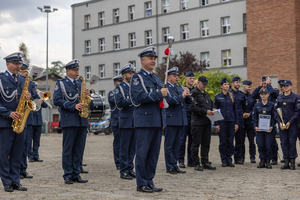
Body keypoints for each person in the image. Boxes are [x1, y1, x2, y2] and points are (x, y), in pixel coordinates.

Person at [130, 46, 167, 193]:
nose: (153, 61)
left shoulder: (156, 78)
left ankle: (150, 180)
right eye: (150, 58)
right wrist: (159, 94)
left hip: (157, 121)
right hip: (144, 121)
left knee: (153, 154)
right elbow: (138, 98)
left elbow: (162, 99)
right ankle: (141, 183)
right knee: (142, 153)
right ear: (142, 60)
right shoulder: (137, 78)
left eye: (154, 58)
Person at [53, 59, 92, 184]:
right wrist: (73, 106)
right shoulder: (61, 83)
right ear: (67, 71)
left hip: (82, 120)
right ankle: (68, 174)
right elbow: (56, 100)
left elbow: (86, 101)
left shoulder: (81, 83)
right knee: (68, 149)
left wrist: (87, 95)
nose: (77, 72)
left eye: (77, 70)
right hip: (69, 120)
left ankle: (76, 173)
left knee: (79, 149)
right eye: (74, 70)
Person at [0, 52, 31, 192]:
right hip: (5, 122)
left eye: (19, 64)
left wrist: (29, 98)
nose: (19, 66)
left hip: (20, 121)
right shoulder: (0, 79)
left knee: (18, 152)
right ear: (7, 64)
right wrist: (8, 113)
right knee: (4, 153)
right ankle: (6, 181)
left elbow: (26, 100)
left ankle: (15, 181)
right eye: (15, 63)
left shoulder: (23, 80)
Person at [164, 67, 189, 174]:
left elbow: (186, 101)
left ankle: (175, 165)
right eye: (174, 76)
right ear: (168, 77)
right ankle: (169, 166)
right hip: (171, 119)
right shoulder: (166, 88)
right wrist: (182, 95)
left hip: (180, 119)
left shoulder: (179, 88)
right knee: (169, 144)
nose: (177, 78)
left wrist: (187, 94)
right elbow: (169, 101)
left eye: (177, 76)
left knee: (177, 144)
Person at [190, 76, 216, 171]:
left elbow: (210, 104)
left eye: (206, 84)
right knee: (196, 143)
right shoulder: (193, 94)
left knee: (206, 143)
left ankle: (205, 162)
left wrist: (213, 109)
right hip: (197, 123)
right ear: (198, 83)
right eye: (203, 84)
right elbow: (193, 107)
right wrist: (205, 112)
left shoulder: (206, 94)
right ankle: (196, 163)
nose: (205, 85)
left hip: (206, 122)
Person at [115, 64, 136, 180]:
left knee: (132, 148)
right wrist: (132, 99)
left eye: (133, 73)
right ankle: (123, 170)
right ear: (124, 75)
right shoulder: (120, 87)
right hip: (125, 121)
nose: (132, 75)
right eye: (130, 73)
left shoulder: (135, 86)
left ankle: (130, 168)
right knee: (124, 148)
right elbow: (120, 103)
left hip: (135, 121)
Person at [18, 61, 38, 180]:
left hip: (28, 118)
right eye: (22, 71)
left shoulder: (30, 83)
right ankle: (16, 170)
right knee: (17, 146)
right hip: (17, 117)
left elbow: (35, 98)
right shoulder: (15, 81)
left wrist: (32, 97)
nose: (24, 73)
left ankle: (23, 170)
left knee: (25, 146)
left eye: (25, 71)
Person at [252, 76, 279, 164]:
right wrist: (260, 86)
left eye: (266, 82)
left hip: (270, 124)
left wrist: (268, 85)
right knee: (261, 144)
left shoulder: (274, 91)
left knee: (271, 143)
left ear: (270, 83)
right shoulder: (260, 92)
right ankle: (263, 160)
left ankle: (273, 158)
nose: (265, 84)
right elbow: (253, 95)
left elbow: (273, 93)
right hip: (261, 125)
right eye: (263, 83)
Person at [274, 80, 299, 170]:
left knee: (292, 142)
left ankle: (292, 162)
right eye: (284, 86)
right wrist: (280, 122)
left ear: (291, 86)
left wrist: (290, 122)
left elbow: (297, 112)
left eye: (287, 86)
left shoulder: (296, 97)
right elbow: (275, 111)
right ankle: (286, 161)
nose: (285, 87)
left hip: (292, 124)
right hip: (282, 125)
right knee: (284, 142)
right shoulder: (279, 97)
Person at [214, 78, 239, 167]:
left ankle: (229, 159)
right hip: (222, 122)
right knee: (223, 142)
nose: (227, 86)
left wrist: (236, 123)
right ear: (221, 86)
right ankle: (224, 159)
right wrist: (216, 124)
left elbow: (236, 111)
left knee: (230, 141)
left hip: (231, 121)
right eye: (225, 84)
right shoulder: (217, 97)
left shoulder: (232, 96)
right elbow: (215, 111)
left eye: (228, 84)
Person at [252, 89, 275, 169]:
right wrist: (255, 126)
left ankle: (268, 161)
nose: (263, 95)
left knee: (268, 145)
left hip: (269, 129)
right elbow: (254, 117)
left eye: (265, 94)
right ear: (260, 95)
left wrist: (272, 126)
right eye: (262, 94)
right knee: (260, 145)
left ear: (268, 95)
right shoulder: (257, 105)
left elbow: (274, 117)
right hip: (259, 129)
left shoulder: (272, 105)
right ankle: (262, 160)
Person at [178, 71, 194, 168]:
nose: (191, 80)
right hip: (184, 117)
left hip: (193, 118)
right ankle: (180, 160)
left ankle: (191, 160)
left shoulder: (196, 90)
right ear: (186, 79)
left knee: (192, 141)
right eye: (190, 78)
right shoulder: (182, 89)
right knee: (182, 140)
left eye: (193, 78)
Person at [28, 83, 48, 163]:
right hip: (31, 121)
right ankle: (30, 156)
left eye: (36, 87)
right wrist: (37, 101)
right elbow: (30, 104)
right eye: (34, 87)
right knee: (29, 140)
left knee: (37, 140)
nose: (35, 89)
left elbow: (46, 106)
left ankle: (36, 155)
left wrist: (43, 99)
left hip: (39, 121)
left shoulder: (39, 96)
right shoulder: (30, 97)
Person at [229, 77, 246, 164]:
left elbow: (244, 107)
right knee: (229, 140)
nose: (238, 84)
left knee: (240, 140)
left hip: (240, 119)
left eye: (239, 83)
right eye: (236, 82)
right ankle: (228, 158)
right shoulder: (228, 93)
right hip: (230, 120)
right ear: (232, 83)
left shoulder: (242, 95)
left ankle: (238, 157)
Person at [108, 75, 123, 170]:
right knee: (118, 143)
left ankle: (125, 162)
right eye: (119, 83)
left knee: (126, 143)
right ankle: (118, 162)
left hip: (126, 120)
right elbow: (116, 100)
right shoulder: (111, 93)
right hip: (116, 121)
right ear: (115, 83)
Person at [242, 80, 256, 163]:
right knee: (241, 141)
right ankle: (242, 157)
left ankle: (252, 156)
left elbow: (255, 108)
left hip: (250, 121)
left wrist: (250, 114)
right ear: (244, 86)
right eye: (248, 86)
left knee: (252, 141)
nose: (250, 88)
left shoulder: (252, 97)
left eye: (250, 86)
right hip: (242, 121)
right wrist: (242, 114)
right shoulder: (240, 96)